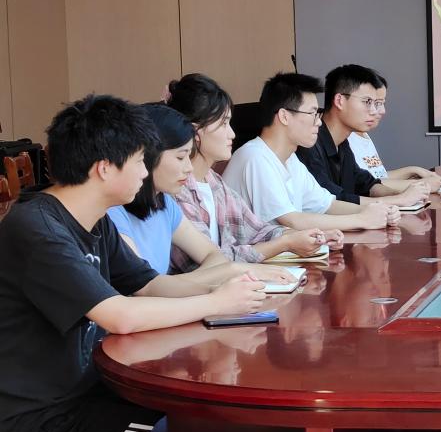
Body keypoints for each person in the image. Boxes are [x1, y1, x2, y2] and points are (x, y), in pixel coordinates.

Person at [0, 95, 265, 432]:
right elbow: (120, 315)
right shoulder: (38, 229)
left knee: (203, 422)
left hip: (86, 394)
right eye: (141, 160)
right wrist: (217, 302)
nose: (145, 171)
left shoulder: (94, 221)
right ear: (104, 168)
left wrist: (227, 285)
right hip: (33, 421)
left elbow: (151, 285)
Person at [165, 73, 343, 272]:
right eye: (223, 124)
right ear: (195, 132)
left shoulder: (214, 182)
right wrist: (285, 243)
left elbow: (257, 230)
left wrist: (309, 236)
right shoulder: (177, 190)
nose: (232, 134)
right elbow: (207, 265)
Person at [107, 103, 294, 286]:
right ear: (148, 157)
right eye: (181, 157)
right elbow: (148, 288)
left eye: (189, 157)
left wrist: (226, 273)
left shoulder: (164, 203)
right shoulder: (114, 212)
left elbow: (213, 255)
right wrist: (234, 271)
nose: (189, 168)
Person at [222, 72, 399, 231]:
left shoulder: (290, 160)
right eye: (313, 114)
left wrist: (377, 211)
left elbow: (327, 205)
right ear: (284, 116)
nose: (319, 122)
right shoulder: (255, 157)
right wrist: (361, 220)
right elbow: (292, 221)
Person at [297, 65, 431, 206]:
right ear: (340, 101)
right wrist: (399, 200)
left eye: (376, 103)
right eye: (367, 102)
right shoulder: (309, 143)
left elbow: (365, 183)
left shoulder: (342, 142)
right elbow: (331, 200)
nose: (375, 111)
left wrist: (401, 196)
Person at [348, 73, 441, 192]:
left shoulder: (362, 133)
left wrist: (413, 170)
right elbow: (363, 185)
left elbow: (375, 176)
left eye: (380, 103)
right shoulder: (345, 139)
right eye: (370, 102)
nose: (382, 111)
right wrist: (420, 184)